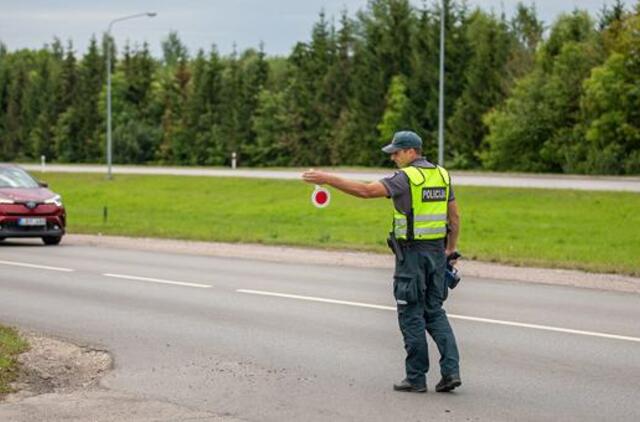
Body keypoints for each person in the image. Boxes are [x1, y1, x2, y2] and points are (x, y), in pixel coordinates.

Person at [302, 130, 461, 393]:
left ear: (412, 152)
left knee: (411, 314)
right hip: (436, 254)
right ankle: (451, 372)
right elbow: (454, 218)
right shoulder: (442, 175)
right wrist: (450, 251)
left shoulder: (406, 178)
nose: (394, 157)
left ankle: (416, 378)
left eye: (397, 152)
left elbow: (365, 191)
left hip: (411, 257)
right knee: (434, 313)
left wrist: (327, 178)